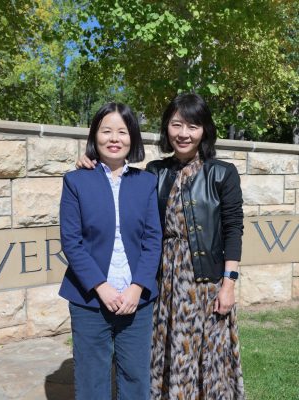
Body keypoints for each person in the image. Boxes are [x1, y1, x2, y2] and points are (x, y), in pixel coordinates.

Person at [77, 93, 245, 400]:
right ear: (167, 128)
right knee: (161, 353)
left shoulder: (222, 173)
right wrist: (90, 162)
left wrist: (229, 284)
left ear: (204, 130)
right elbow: (116, 178)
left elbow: (234, 230)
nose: (183, 133)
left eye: (192, 126)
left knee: (206, 355)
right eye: (176, 124)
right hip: (161, 279)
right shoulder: (154, 172)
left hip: (204, 283)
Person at [59, 102, 162, 400]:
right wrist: (100, 287)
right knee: (92, 381)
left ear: (133, 138)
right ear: (95, 136)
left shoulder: (146, 182)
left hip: (136, 301)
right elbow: (72, 241)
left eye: (122, 131)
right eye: (106, 131)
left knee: (135, 377)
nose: (114, 138)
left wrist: (136, 288)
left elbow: (152, 240)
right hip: (89, 299)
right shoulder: (76, 180)